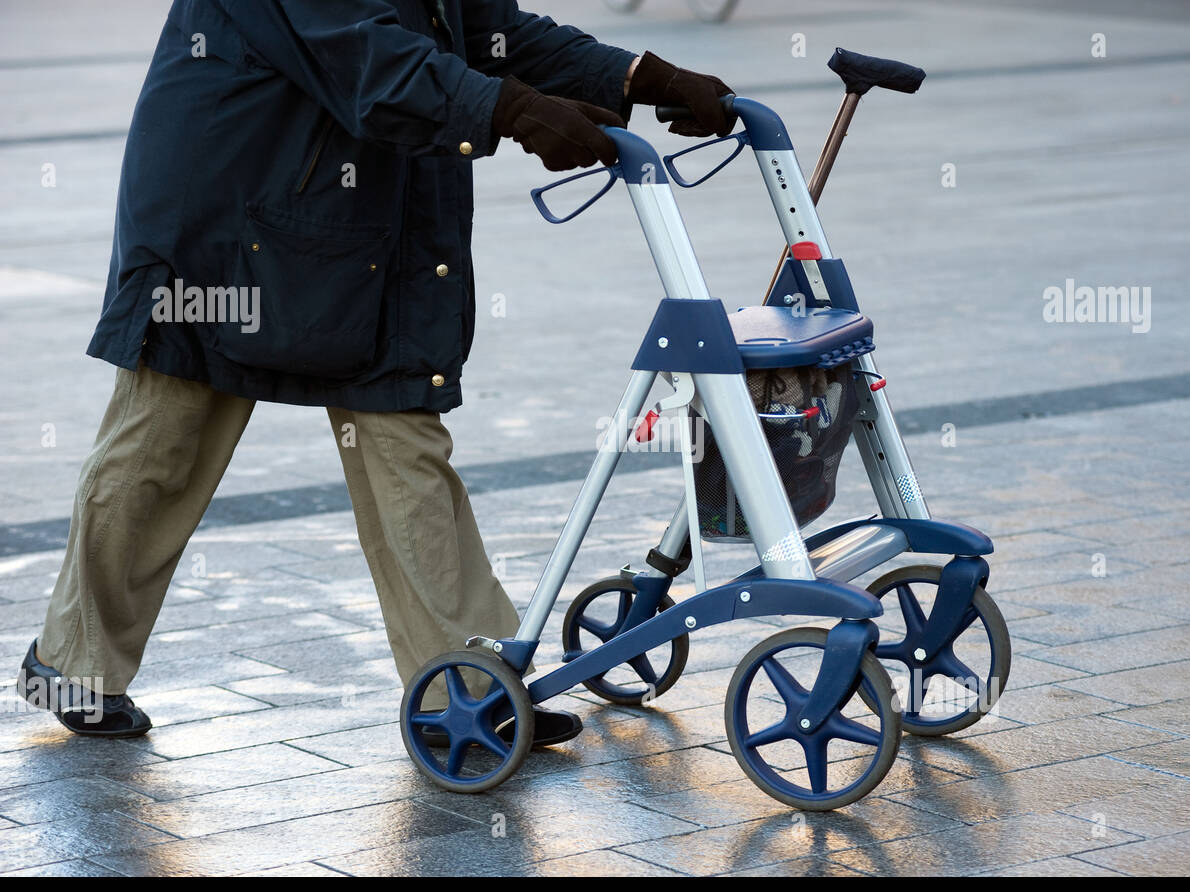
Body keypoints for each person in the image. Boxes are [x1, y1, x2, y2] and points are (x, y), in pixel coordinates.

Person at [16, 0, 734, 749]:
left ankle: (467, 688)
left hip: (362, 221)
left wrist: (645, 77)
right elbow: (372, 59)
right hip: (219, 226)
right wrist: (518, 110)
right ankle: (74, 662)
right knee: (162, 446)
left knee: (403, 440)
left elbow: (491, 31)